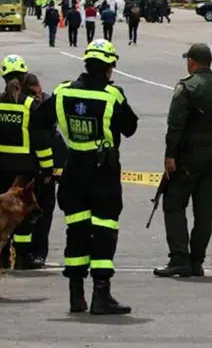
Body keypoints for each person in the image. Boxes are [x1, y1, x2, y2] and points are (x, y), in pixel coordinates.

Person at [38, 39, 138, 314]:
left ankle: (76, 296)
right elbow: (130, 128)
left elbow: (38, 121)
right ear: (108, 68)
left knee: (77, 231)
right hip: (103, 173)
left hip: (73, 171)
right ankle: (101, 296)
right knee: (104, 231)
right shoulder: (111, 95)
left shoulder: (61, 92)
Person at [154, 43, 212, 278]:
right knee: (204, 210)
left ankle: (179, 258)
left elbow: (175, 125)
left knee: (173, 204)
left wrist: (169, 155)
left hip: (187, 156)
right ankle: (197, 261)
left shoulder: (187, 87)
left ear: (192, 62)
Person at [0, 56, 54, 270]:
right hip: (25, 169)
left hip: (1, 167)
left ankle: (4, 256)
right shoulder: (31, 105)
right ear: (23, 78)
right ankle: (23, 256)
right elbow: (41, 139)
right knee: (23, 213)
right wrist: (48, 167)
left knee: (3, 215)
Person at [20, 73, 64, 265]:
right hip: (38, 168)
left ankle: (33, 254)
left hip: (34, 168)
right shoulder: (35, 106)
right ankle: (32, 254)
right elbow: (44, 140)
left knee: (38, 214)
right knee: (37, 213)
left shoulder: (38, 102)